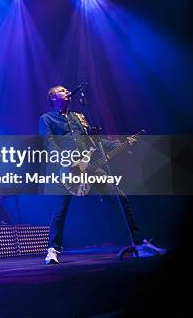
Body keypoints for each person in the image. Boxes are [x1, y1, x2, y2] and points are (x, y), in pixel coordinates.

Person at [39, 85, 166, 265]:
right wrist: (66, 161)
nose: (67, 92)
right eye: (62, 91)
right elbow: (50, 143)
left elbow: (94, 141)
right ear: (53, 97)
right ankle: (52, 250)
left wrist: (123, 143)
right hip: (66, 169)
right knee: (60, 209)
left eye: (67, 90)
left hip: (90, 167)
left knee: (120, 197)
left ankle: (139, 244)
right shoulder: (47, 119)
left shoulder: (79, 118)